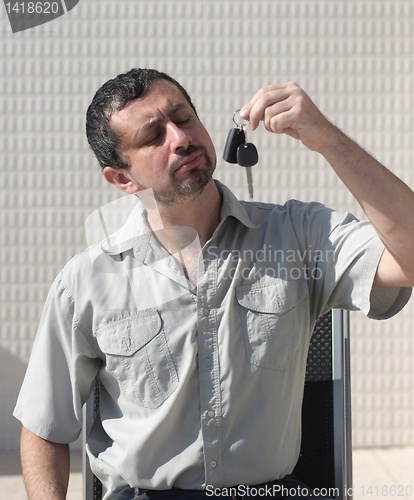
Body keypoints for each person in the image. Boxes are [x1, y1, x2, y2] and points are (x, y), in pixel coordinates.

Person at [14, 68, 414, 500]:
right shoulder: (86, 280)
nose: (179, 138)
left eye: (183, 118)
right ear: (122, 179)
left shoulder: (298, 235)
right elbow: (44, 428)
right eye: (153, 136)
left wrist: (328, 141)